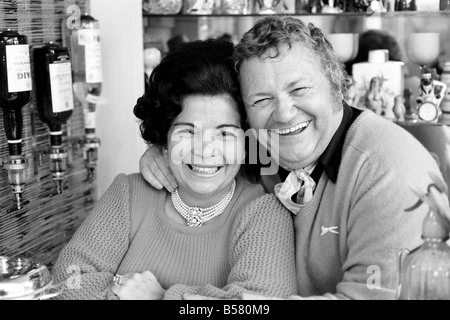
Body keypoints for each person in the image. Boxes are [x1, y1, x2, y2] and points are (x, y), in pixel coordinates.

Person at [139, 16, 450, 300]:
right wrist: (160, 151)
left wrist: (171, 298)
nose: (284, 114)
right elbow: (204, 148)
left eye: (299, 89)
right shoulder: (262, 149)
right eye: (262, 100)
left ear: (336, 85)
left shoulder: (388, 168)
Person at [51, 39, 297, 300]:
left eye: (225, 133)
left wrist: (158, 297)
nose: (205, 149)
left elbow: (258, 303)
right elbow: (69, 281)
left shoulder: (264, 213)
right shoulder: (127, 194)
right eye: (188, 131)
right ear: (164, 137)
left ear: (248, 141)